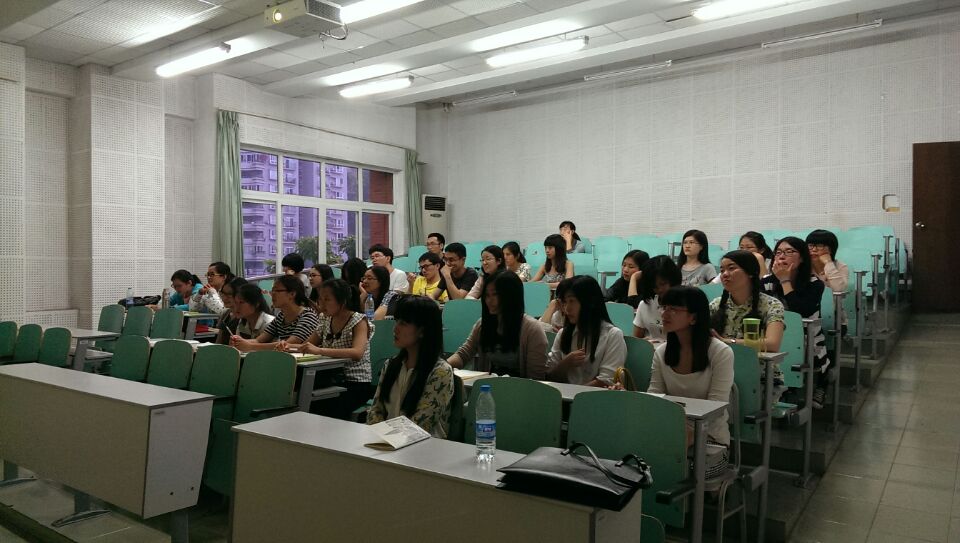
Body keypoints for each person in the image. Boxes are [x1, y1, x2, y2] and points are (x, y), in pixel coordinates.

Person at [647, 286, 734, 479]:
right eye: (664, 307)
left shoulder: (720, 352)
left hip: (711, 440)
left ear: (693, 318)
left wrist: (688, 434)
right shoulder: (661, 352)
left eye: (674, 309)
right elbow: (654, 398)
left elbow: (716, 407)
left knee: (672, 469)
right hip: (671, 433)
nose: (665, 314)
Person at [367, 296, 455, 438]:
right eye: (396, 321)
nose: (395, 328)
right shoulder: (391, 365)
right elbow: (376, 410)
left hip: (423, 447)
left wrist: (387, 439)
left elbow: (420, 425)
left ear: (422, 331)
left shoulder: (440, 372)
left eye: (403, 323)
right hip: (386, 443)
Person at [284, 279, 373, 418]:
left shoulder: (358, 320)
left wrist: (319, 350)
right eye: (320, 299)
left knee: (323, 408)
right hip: (330, 377)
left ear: (342, 301)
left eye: (327, 299)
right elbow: (307, 346)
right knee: (300, 398)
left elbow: (357, 353)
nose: (321, 304)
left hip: (355, 382)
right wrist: (287, 346)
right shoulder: (325, 319)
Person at [762, 237, 831, 408]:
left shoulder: (815, 284)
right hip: (773, 334)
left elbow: (800, 313)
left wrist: (785, 281)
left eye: (789, 251)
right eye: (778, 252)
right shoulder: (766, 282)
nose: (782, 256)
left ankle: (819, 384)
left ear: (802, 258)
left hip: (806, 337)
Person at [711, 250, 786, 398]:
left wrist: (729, 342)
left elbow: (772, 344)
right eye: (722, 270)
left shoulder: (771, 305)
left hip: (760, 376)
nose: (725, 274)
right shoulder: (716, 305)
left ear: (750, 273)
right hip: (721, 371)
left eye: (731, 268)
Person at [448, 271, 548, 379]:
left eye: (495, 295)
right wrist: (443, 366)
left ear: (511, 296)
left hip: (521, 387)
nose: (489, 300)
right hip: (488, 386)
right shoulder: (482, 324)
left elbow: (536, 378)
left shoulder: (532, 329)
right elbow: (463, 354)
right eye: (487, 295)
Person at [546, 276, 626, 387]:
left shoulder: (612, 335)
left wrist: (576, 393)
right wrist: (565, 363)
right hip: (562, 395)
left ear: (590, 302)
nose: (567, 308)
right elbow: (549, 376)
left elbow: (606, 381)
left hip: (592, 397)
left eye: (572, 301)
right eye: (565, 302)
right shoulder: (563, 333)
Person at [231, 275, 319, 351]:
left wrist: (250, 346)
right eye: (272, 290)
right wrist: (240, 342)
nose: (272, 294)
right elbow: (259, 340)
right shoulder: (281, 316)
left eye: (277, 291)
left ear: (292, 294)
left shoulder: (307, 316)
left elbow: (287, 345)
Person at [633, 255, 682, 341]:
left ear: (673, 280)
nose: (659, 289)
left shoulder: (685, 306)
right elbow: (636, 339)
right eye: (654, 286)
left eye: (663, 284)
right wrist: (644, 343)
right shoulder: (645, 305)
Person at [806, 229, 849, 294]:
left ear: (831, 249)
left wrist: (828, 263)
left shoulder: (840, 266)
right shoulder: (803, 265)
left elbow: (839, 289)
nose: (814, 249)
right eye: (810, 245)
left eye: (820, 246)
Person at [215, 277, 248, 344]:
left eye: (229, 294)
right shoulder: (226, 313)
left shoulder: (246, 316)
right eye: (222, 293)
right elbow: (218, 342)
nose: (224, 298)